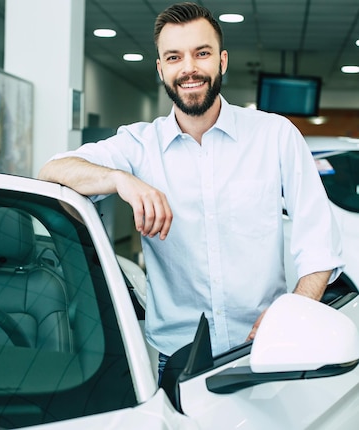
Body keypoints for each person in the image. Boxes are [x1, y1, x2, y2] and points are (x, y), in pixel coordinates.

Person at [38, 2, 344, 381]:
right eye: (174, 56)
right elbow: (53, 171)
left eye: (202, 53)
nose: (189, 68)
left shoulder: (275, 136)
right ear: (161, 68)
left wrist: (293, 314)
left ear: (222, 60)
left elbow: (320, 244)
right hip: (179, 357)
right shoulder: (138, 145)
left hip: (265, 346)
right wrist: (121, 179)